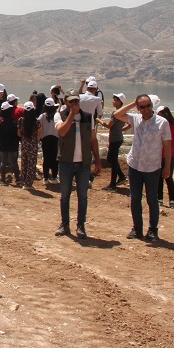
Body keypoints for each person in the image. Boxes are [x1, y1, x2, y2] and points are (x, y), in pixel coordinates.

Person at [114, 94, 172, 242]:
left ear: (152, 106)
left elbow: (167, 145)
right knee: (135, 199)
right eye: (142, 106)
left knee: (152, 200)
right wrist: (133, 103)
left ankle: (153, 230)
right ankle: (137, 229)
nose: (146, 109)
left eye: (148, 106)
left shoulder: (162, 122)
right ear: (138, 108)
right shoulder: (135, 118)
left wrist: (167, 167)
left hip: (152, 167)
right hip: (135, 165)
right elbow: (117, 114)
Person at [55, 89, 99, 238]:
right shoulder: (60, 115)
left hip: (84, 163)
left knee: (82, 196)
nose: (74, 104)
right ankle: (65, 224)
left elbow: (93, 139)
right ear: (66, 102)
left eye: (76, 101)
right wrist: (72, 116)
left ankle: (81, 226)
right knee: (65, 195)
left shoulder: (88, 117)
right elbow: (62, 132)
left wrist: (97, 161)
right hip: (66, 162)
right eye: (71, 101)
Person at [97, 93, 131, 190]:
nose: (113, 101)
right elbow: (130, 125)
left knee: (113, 160)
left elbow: (108, 126)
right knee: (111, 159)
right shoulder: (123, 113)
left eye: (114, 100)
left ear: (119, 101)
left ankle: (112, 184)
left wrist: (98, 120)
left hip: (115, 139)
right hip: (118, 138)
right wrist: (121, 129)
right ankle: (121, 176)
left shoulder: (115, 114)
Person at [156, 106, 174, 208]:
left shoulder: (162, 125)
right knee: (169, 178)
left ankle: (160, 199)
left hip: (161, 154)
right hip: (172, 155)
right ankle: (172, 201)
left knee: (159, 178)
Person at [0, 101, 20, 185]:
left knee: (3, 162)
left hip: (3, 144)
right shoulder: (13, 122)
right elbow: (17, 133)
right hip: (13, 145)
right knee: (14, 162)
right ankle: (18, 179)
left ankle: (2, 179)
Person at [18, 101, 43, 190]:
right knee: (31, 164)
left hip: (24, 143)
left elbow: (19, 133)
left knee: (24, 162)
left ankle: (22, 181)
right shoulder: (36, 122)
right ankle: (28, 183)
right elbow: (39, 132)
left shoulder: (21, 120)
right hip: (33, 144)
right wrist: (36, 140)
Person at [39, 97, 60, 184]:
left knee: (46, 158)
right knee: (55, 158)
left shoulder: (42, 116)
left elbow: (39, 126)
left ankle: (46, 177)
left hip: (45, 139)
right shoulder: (56, 115)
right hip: (55, 138)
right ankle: (54, 177)